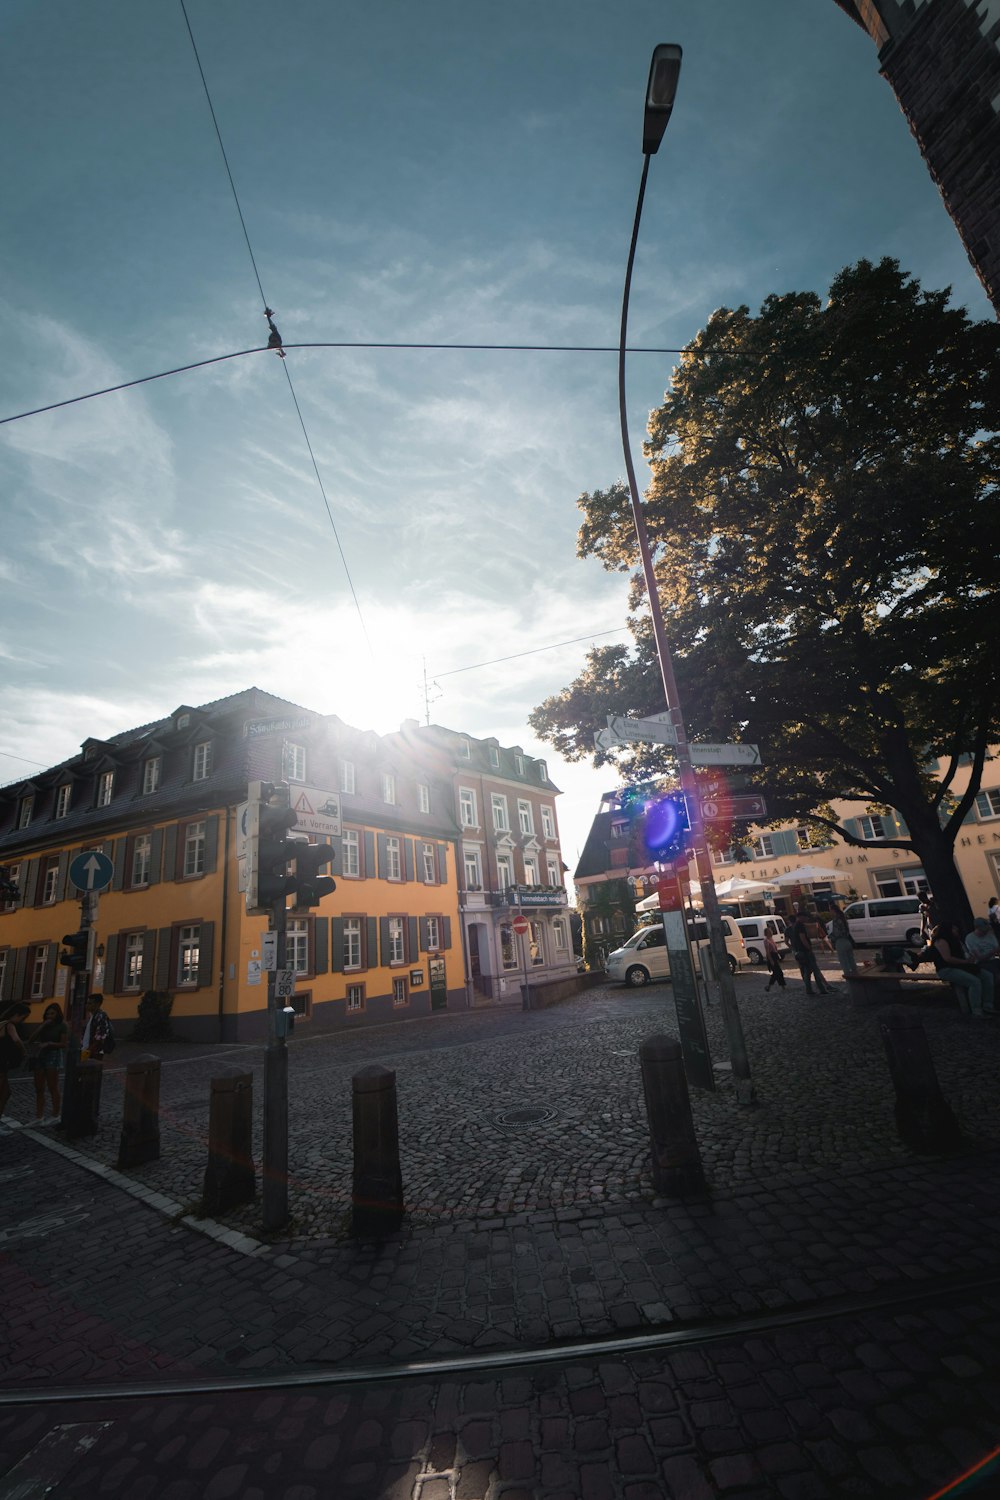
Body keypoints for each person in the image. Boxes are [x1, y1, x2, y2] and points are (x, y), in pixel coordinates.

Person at [926, 921, 995, 1016]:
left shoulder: (956, 940)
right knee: (974, 982)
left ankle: (988, 1004)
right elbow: (947, 958)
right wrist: (965, 962)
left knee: (987, 976)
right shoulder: (941, 941)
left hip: (961, 966)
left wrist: (970, 959)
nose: (957, 930)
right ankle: (976, 1010)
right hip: (947, 969)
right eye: (954, 929)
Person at [26, 1002, 68, 1122]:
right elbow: (30, 1040)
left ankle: (55, 1115)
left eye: (52, 1013)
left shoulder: (62, 1026)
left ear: (58, 1014)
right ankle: (39, 1116)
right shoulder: (43, 1025)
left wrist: (50, 1043)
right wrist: (42, 1026)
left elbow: (64, 1044)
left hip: (53, 1055)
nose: (50, 1016)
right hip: (40, 1055)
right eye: (48, 1013)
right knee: (39, 1087)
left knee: (52, 1086)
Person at [788, 909, 831, 995]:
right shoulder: (800, 926)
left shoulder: (796, 925)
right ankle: (822, 989)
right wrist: (809, 948)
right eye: (806, 917)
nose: (807, 919)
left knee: (807, 971)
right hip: (805, 951)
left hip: (800, 951)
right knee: (815, 970)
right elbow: (803, 938)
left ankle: (809, 989)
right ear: (801, 917)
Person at [0, 1002, 30, 1120]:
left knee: (6, 1093)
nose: (23, 1021)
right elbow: (17, 1040)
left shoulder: (1, 1023)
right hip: (2, 1061)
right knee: (2, 1092)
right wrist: (24, 1052)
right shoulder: (9, 1025)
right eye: (23, 1018)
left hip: (2, 1061)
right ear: (17, 1015)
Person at [826, 901, 858, 978]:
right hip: (847, 941)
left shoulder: (836, 920)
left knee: (844, 962)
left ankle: (849, 978)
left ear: (833, 911)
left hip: (840, 942)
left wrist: (830, 937)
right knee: (851, 960)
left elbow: (837, 933)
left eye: (830, 910)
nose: (830, 912)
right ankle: (856, 975)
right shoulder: (843, 918)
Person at [80, 993, 115, 1060]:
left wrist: (88, 1051)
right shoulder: (92, 1016)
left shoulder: (101, 1016)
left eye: (90, 1003)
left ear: (97, 1004)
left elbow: (100, 1037)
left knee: (92, 1068)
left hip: (95, 1052)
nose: (87, 1005)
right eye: (87, 1003)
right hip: (88, 1050)